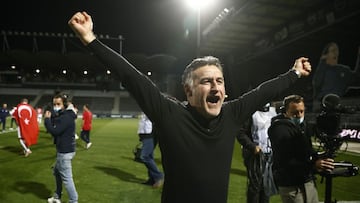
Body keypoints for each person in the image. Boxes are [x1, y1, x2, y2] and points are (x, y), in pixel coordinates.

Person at [68, 11, 311, 203]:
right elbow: (132, 77)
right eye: (206, 81)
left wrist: (294, 73)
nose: (215, 87)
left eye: (219, 81)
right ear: (188, 90)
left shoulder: (231, 114)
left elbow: (262, 93)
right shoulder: (170, 114)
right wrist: (90, 39)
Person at [268, 95, 334, 203]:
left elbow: (308, 149)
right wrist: (313, 165)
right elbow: (285, 160)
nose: (299, 115)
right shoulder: (278, 129)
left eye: (302, 111)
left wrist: (318, 156)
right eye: (295, 113)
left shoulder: (303, 125)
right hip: (291, 184)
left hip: (307, 180)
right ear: (285, 111)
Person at [236, 103, 277, 203]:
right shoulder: (251, 113)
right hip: (255, 155)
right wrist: (253, 147)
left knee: (266, 185)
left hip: (270, 154)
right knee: (255, 185)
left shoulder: (273, 112)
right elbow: (240, 132)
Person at [44, 94, 78, 203]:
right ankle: (57, 196)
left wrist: (47, 120)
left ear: (64, 104)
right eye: (54, 104)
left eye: (58, 104)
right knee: (56, 171)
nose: (56, 106)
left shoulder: (66, 117)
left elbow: (55, 132)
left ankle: (73, 201)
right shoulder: (67, 114)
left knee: (67, 179)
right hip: (67, 150)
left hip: (64, 152)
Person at [312, 42, 360, 106]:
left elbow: (357, 80)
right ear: (326, 55)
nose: (335, 52)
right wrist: (322, 63)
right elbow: (317, 83)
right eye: (333, 50)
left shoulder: (344, 70)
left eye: (336, 50)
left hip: (339, 104)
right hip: (322, 105)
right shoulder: (323, 70)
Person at [137, 112, 164, 188]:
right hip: (145, 133)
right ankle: (152, 179)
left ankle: (158, 176)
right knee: (149, 156)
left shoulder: (151, 105)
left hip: (150, 133)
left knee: (144, 156)